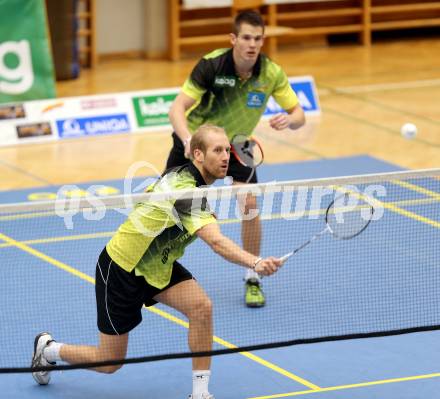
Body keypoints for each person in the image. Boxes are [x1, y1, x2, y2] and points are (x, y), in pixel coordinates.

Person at [31, 125, 283, 399]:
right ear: (198, 154)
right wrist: (254, 262)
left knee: (201, 308)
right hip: (122, 268)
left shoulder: (185, 178)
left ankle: (200, 393)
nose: (226, 157)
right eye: (217, 150)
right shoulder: (186, 191)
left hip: (158, 265)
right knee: (110, 361)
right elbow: (217, 242)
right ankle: (48, 349)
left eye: (227, 150)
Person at [166, 10, 305, 308]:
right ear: (233, 39)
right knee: (168, 209)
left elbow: (299, 115)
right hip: (198, 140)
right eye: (246, 37)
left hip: (239, 142)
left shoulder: (271, 74)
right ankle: (153, 268)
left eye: (257, 38)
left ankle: (252, 274)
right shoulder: (213, 65)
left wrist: (290, 120)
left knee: (250, 204)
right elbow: (177, 109)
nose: (252, 44)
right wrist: (189, 140)